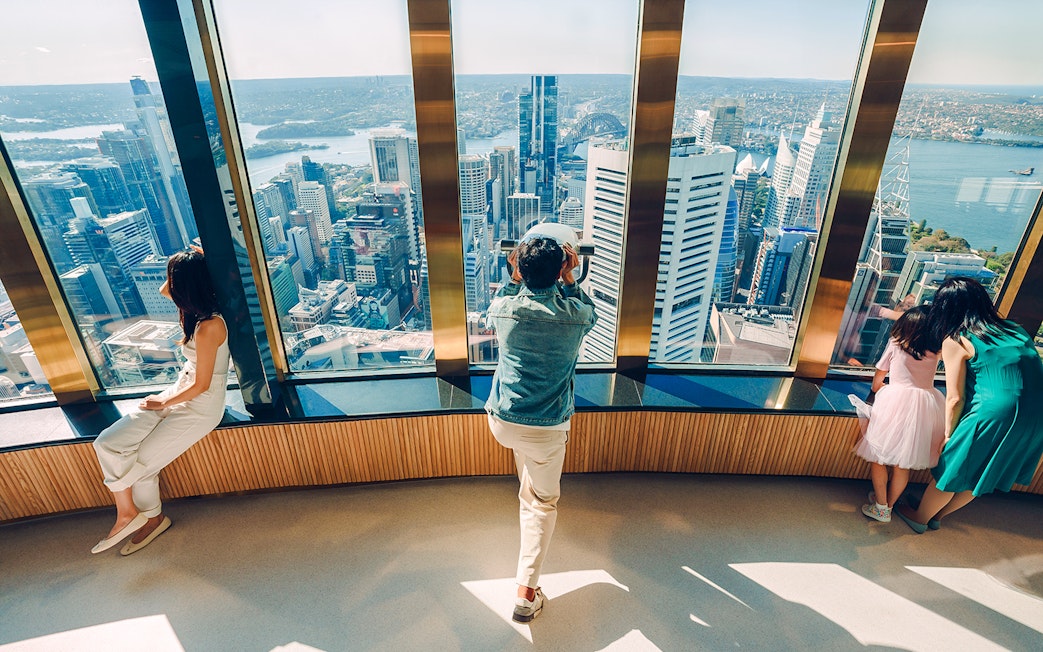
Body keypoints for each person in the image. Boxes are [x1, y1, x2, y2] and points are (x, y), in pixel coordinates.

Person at [485, 236, 596, 623]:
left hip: (502, 421)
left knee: (527, 473)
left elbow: (498, 304)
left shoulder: (504, 311)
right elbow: (590, 311)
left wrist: (515, 278)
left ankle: (526, 488)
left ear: (519, 268)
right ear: (564, 268)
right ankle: (526, 592)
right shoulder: (574, 316)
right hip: (547, 428)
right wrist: (570, 278)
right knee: (542, 504)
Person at [91, 248, 230, 555]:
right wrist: (196, 259)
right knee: (107, 443)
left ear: (186, 287)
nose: (167, 286)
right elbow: (164, 289)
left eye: (173, 278)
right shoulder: (195, 313)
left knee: (141, 467)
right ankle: (128, 513)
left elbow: (202, 385)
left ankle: (149, 520)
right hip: (176, 394)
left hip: (199, 407)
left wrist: (162, 404)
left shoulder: (210, 326)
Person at [895, 277, 1043, 533]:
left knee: (951, 471)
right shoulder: (1014, 329)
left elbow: (955, 397)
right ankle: (936, 516)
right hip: (1035, 415)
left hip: (995, 412)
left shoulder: (957, 340)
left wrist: (948, 435)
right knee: (981, 473)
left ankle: (919, 518)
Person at [854, 306, 944, 523]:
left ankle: (880, 506)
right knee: (901, 464)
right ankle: (890, 506)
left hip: (895, 402)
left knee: (878, 457)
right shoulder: (937, 350)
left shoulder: (897, 343)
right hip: (926, 405)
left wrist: (881, 389)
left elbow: (879, 377)